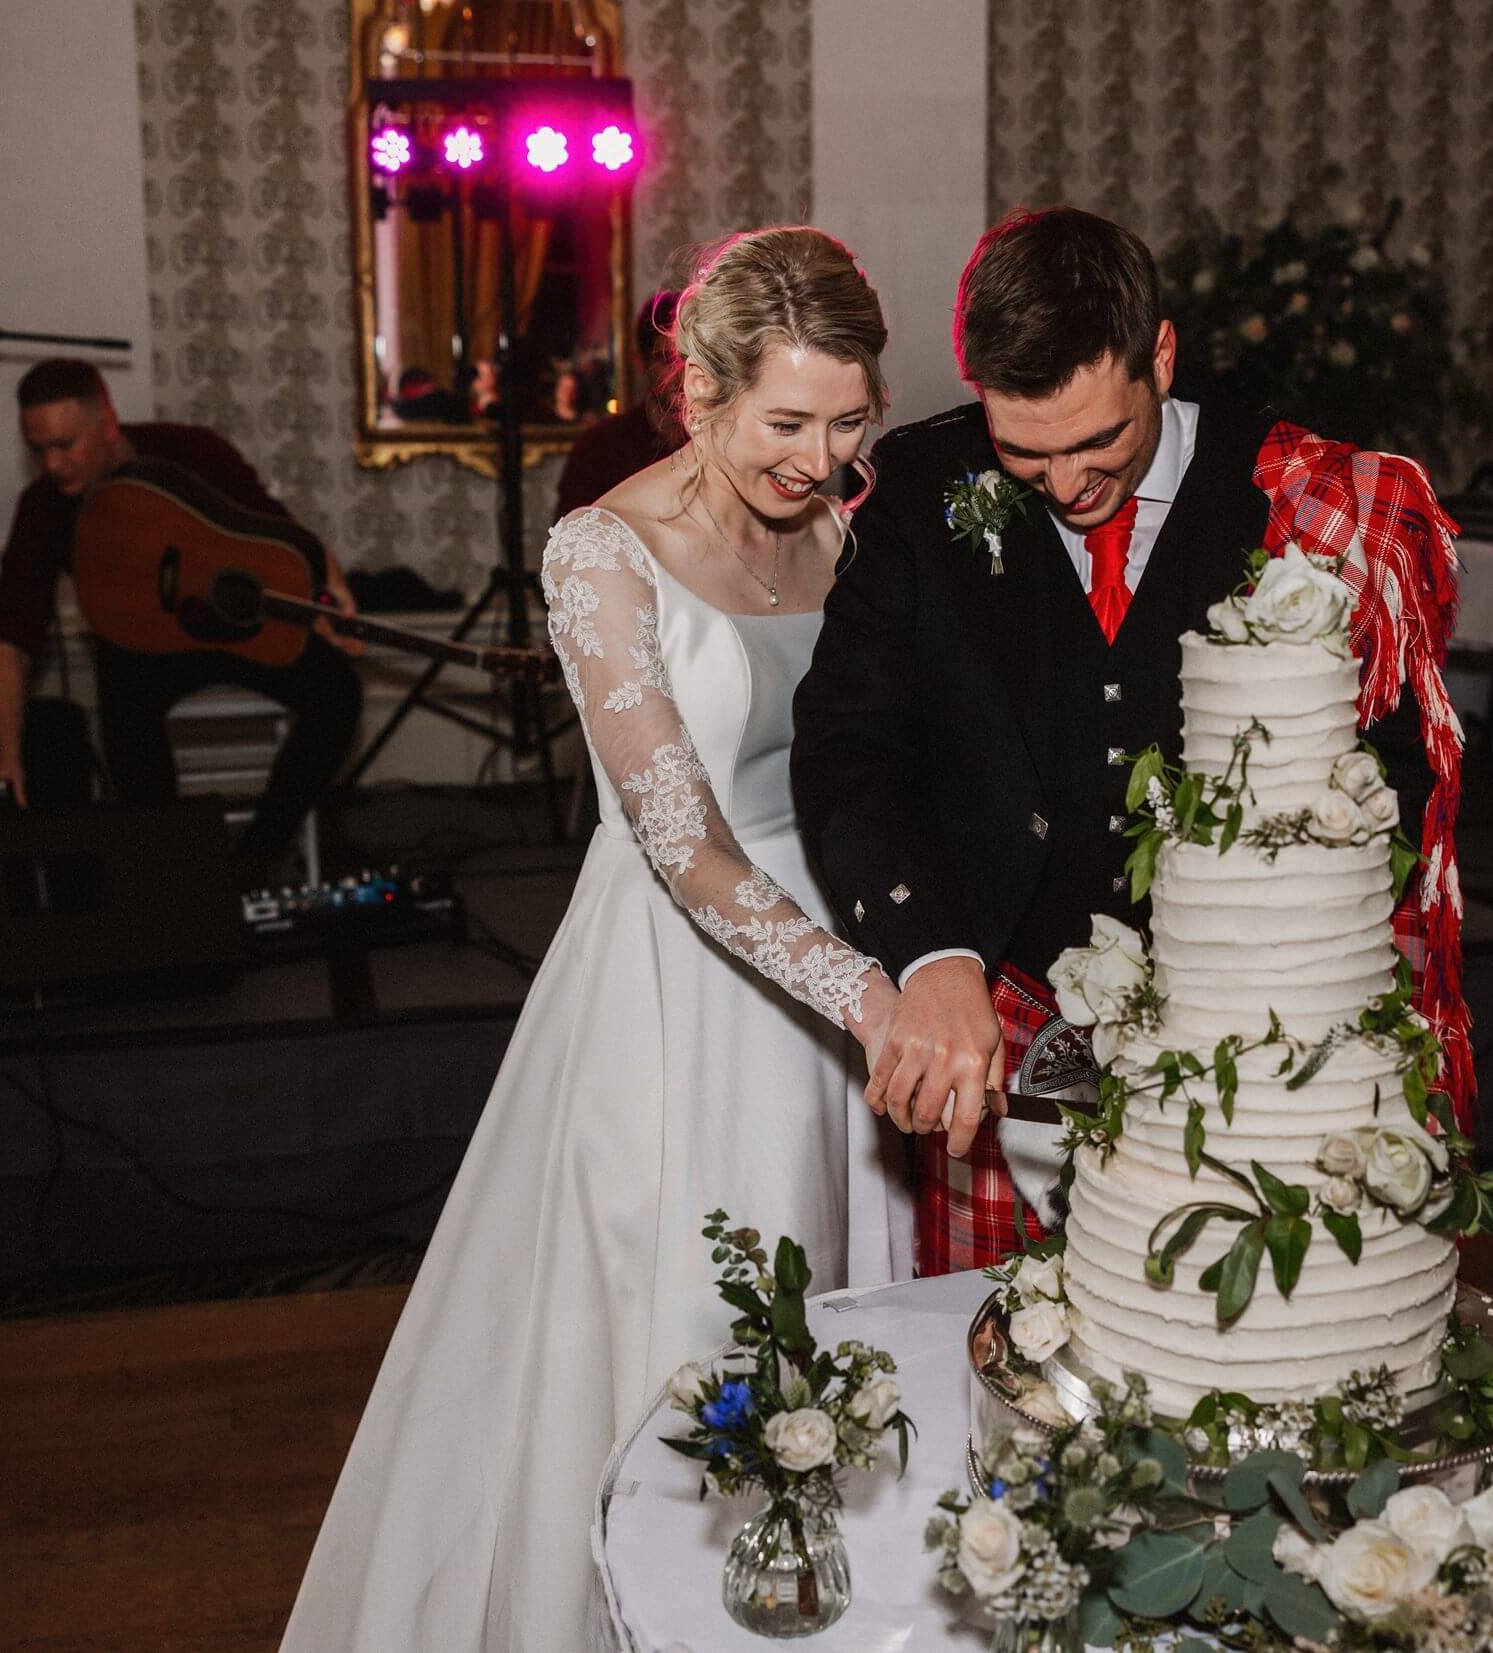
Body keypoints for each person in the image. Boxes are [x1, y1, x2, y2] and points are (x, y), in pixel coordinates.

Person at [282, 227, 911, 1652]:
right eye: (789, 422)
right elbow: (685, 847)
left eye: (850, 418)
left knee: (840, 1324)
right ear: (699, 390)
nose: (822, 457)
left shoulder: (847, 526)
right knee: (693, 1318)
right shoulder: (601, 555)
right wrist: (868, 999)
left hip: (844, 958)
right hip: (687, 990)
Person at [792, 206, 1289, 1276]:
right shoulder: (921, 493)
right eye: (1024, 452)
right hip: (1005, 1003)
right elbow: (850, 743)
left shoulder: (1287, 491)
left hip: (1248, 1016)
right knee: (997, 1355)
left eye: (1098, 440)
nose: (1066, 486)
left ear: (1159, 354)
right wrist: (927, 954)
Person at [0, 361, 363, 884]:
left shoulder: (191, 452)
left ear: (107, 424)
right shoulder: (44, 508)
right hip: (140, 644)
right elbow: (11, 640)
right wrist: (6, 758)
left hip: (230, 628)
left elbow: (286, 537)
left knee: (337, 692)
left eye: (66, 444)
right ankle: (170, 877)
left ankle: (255, 857)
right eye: (38, 449)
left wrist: (329, 594)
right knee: (125, 725)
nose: (53, 464)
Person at [552, 287, 683, 519]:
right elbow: (573, 541)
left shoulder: (726, 439)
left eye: (690, 359)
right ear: (641, 362)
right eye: (666, 359)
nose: (681, 374)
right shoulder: (602, 448)